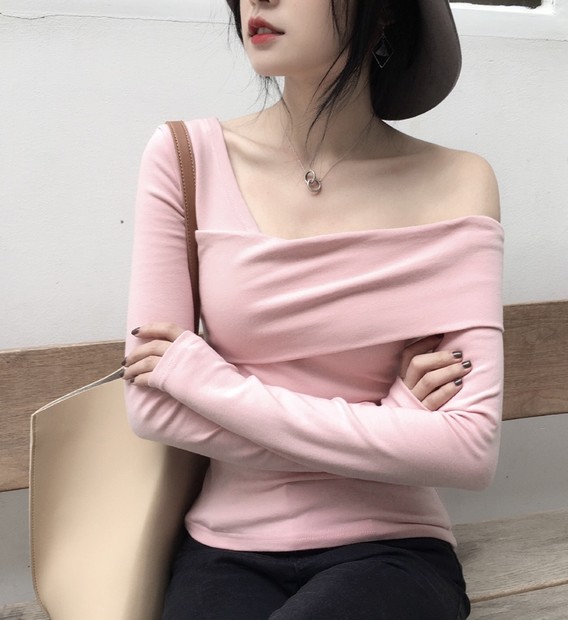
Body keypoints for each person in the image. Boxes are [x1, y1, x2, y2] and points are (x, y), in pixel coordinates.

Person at [122, 0, 503, 618]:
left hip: (392, 549)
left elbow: (467, 449)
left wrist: (207, 383)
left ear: (384, 12)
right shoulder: (185, 157)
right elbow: (152, 406)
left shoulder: (459, 182)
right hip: (221, 552)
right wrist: (393, 426)